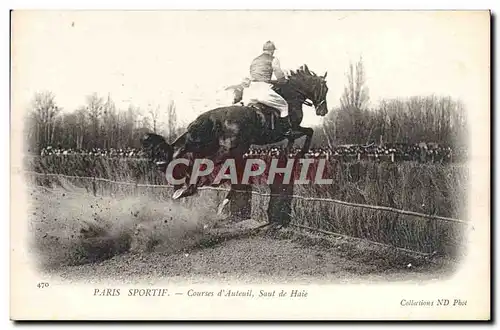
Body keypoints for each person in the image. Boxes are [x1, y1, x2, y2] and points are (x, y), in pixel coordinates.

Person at [241, 41, 293, 136]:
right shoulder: (273, 59)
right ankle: (286, 131)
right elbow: (279, 74)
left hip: (249, 91)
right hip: (262, 89)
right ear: (272, 50)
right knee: (284, 106)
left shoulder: (254, 60)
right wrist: (283, 80)